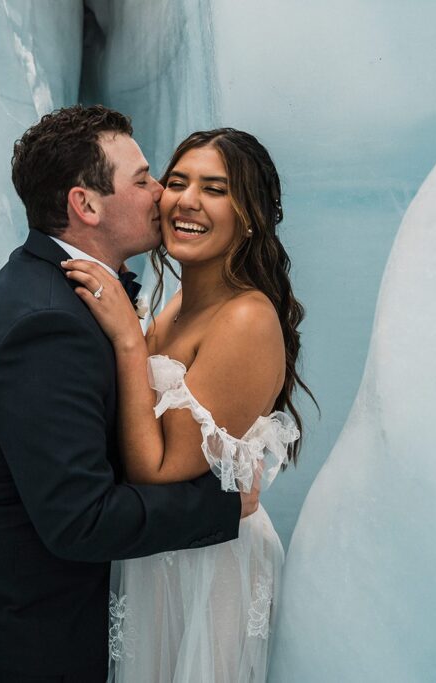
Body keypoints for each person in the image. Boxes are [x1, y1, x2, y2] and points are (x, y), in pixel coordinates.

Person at [0, 106, 261, 682]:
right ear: (85, 205)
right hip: (61, 644)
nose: (161, 191)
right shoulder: (45, 325)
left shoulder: (61, 292)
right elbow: (80, 521)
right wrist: (221, 506)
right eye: (141, 179)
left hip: (107, 614)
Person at [63, 128, 314, 682]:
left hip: (211, 569)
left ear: (249, 214)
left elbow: (159, 471)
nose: (187, 200)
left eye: (216, 188)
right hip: (163, 552)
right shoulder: (179, 302)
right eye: (176, 182)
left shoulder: (245, 319)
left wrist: (129, 339)